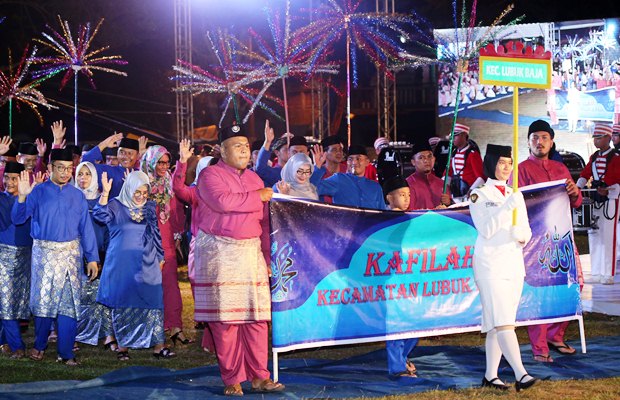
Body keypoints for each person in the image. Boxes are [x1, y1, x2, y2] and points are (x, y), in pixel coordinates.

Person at [194, 124, 284, 396]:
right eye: (237, 145)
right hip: (221, 253)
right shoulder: (210, 175)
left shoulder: (255, 178)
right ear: (222, 150)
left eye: (246, 145)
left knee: (257, 319)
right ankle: (232, 378)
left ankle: (260, 376)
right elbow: (223, 202)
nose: (244, 150)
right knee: (227, 321)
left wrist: (267, 256)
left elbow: (265, 223)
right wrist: (258, 196)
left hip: (251, 252)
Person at [12, 148, 99, 366]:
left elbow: (86, 228)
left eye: (68, 168)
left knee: (69, 304)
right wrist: (22, 196)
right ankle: (40, 344)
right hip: (45, 256)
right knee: (44, 303)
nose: (65, 172)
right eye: (60, 168)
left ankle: (66, 352)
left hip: (70, 257)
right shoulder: (38, 192)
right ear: (50, 167)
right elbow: (18, 219)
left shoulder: (77, 195)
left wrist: (92, 258)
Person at [511, 119, 583, 362]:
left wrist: (574, 193)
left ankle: (555, 334)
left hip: (562, 238)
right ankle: (539, 347)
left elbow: (576, 202)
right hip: (536, 243)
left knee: (573, 284)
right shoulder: (520, 170)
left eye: (544, 138)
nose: (539, 142)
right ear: (528, 142)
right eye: (535, 138)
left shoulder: (560, 169)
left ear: (551, 142)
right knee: (540, 292)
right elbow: (513, 206)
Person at [469, 144, 540, 391]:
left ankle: (490, 376)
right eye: (501, 163)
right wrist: (506, 207)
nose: (507, 168)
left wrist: (522, 235)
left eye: (510, 163)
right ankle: (521, 374)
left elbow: (526, 228)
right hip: (490, 264)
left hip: (513, 264)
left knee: (498, 321)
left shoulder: (514, 193)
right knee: (503, 322)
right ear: (491, 164)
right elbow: (486, 229)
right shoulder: (479, 194)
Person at [93, 171, 175, 361]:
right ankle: (123, 346)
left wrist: (160, 256)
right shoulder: (116, 205)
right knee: (124, 301)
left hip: (147, 259)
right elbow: (99, 215)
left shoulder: (149, 207)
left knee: (153, 300)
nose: (141, 196)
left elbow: (155, 232)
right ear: (129, 189)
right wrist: (105, 193)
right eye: (137, 192)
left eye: (145, 193)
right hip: (121, 262)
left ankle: (159, 345)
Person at [140, 145, 189, 344]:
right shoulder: (140, 182)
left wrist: (177, 235)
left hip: (167, 239)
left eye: (167, 163)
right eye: (159, 162)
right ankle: (148, 328)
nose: (163, 166)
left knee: (170, 284)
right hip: (145, 241)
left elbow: (177, 211)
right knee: (147, 284)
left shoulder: (169, 182)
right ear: (151, 162)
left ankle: (175, 326)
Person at [172, 140, 215, 353]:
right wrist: (182, 162)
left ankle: (210, 329)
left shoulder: (223, 191)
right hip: (200, 243)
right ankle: (203, 317)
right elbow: (178, 188)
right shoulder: (196, 191)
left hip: (221, 246)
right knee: (196, 279)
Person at [73, 162, 115, 350]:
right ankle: (75, 334)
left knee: (102, 295)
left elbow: (106, 228)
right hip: (74, 253)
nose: (83, 178)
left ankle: (107, 334)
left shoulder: (102, 200)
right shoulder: (71, 197)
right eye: (79, 174)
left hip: (99, 253)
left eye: (87, 174)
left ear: (94, 177)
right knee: (77, 296)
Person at [381, 177, 418, 378]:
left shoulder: (410, 218)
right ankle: (397, 366)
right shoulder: (381, 219)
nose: (406, 198)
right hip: (392, 277)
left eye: (409, 194)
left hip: (410, 276)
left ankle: (402, 357)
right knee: (396, 321)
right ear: (389, 198)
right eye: (402, 195)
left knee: (416, 319)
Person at [577, 123, 620, 285]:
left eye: (599, 138)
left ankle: (608, 273)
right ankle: (596, 272)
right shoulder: (594, 157)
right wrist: (577, 187)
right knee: (594, 235)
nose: (595, 141)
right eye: (594, 138)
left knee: (608, 237)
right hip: (595, 198)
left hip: (611, 199)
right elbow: (585, 174)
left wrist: (608, 189)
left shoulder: (617, 157)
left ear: (608, 138)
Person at [0, 162, 32, 359]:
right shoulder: (1, 198)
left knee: (16, 300)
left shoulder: (30, 199)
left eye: (14, 178)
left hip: (25, 255)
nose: (9, 182)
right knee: (6, 300)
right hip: (3, 256)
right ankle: (17, 345)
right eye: (6, 177)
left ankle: (3, 341)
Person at [315, 144, 387, 210]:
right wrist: (317, 167)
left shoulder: (375, 187)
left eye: (358, 158)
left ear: (367, 162)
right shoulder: (339, 179)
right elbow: (313, 189)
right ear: (347, 162)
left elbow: (382, 214)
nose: (354, 162)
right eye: (350, 159)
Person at [81, 132, 145, 197]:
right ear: (117, 154)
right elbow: (85, 164)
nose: (125, 156)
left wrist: (144, 157)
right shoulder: (109, 171)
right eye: (122, 152)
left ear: (137, 155)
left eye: (130, 153)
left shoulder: (141, 173)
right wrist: (104, 144)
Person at [405, 142, 451, 209]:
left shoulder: (442, 183)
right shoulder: (407, 184)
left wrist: (449, 203)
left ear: (434, 159)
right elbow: (408, 212)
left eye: (429, 156)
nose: (426, 160)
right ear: (413, 162)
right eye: (421, 158)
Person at [446, 123, 484, 202]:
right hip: (454, 193)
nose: (452, 138)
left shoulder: (472, 154)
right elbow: (448, 173)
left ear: (464, 135)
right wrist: (446, 187)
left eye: (455, 135)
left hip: (468, 195)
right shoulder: (454, 153)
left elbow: (481, 177)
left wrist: (472, 190)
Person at [256, 120, 290, 187]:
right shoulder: (273, 173)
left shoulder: (299, 172)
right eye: (286, 149)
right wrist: (268, 142)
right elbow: (260, 168)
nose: (289, 152)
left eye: (291, 150)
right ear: (277, 152)